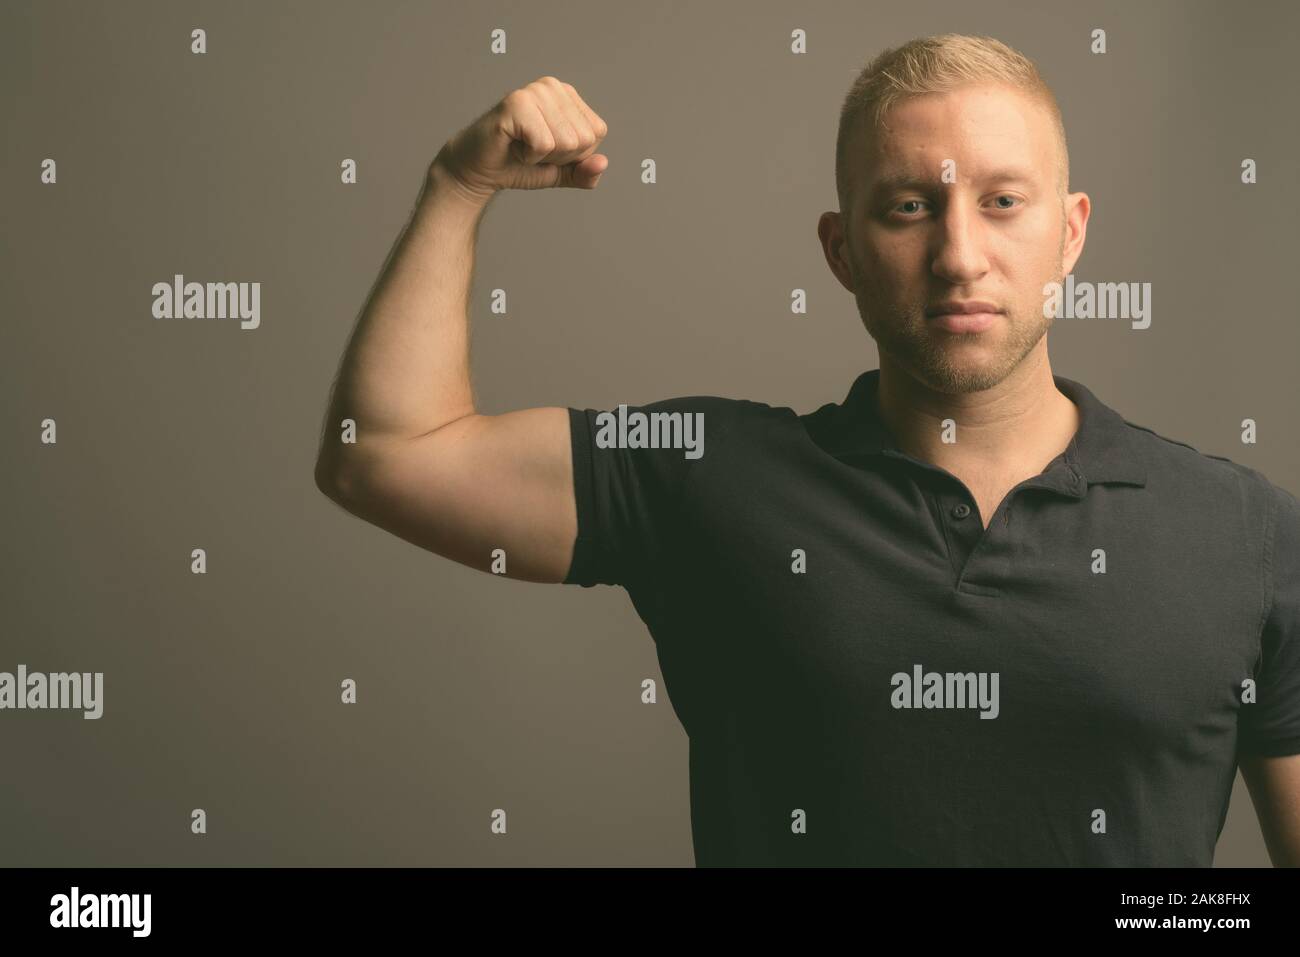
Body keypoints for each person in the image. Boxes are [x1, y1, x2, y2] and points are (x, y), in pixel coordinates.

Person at [313, 34, 1300, 866]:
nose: (960, 254)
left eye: (1003, 202)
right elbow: (382, 455)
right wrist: (458, 184)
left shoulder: (1244, 531)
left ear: (1070, 234)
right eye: (908, 207)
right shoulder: (705, 477)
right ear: (840, 251)